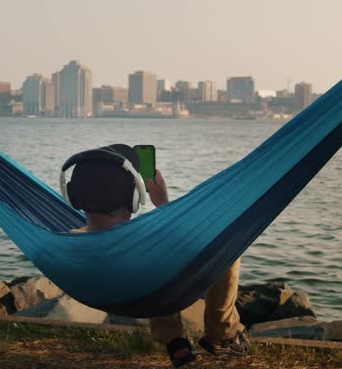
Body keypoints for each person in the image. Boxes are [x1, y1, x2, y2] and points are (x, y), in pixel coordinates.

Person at [64, 144, 250, 367]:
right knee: (225, 248)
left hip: (108, 292)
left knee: (159, 257)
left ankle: (175, 341)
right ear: (135, 197)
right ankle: (222, 334)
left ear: (73, 197)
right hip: (150, 295)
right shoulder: (150, 241)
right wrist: (163, 206)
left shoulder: (64, 243)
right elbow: (193, 239)